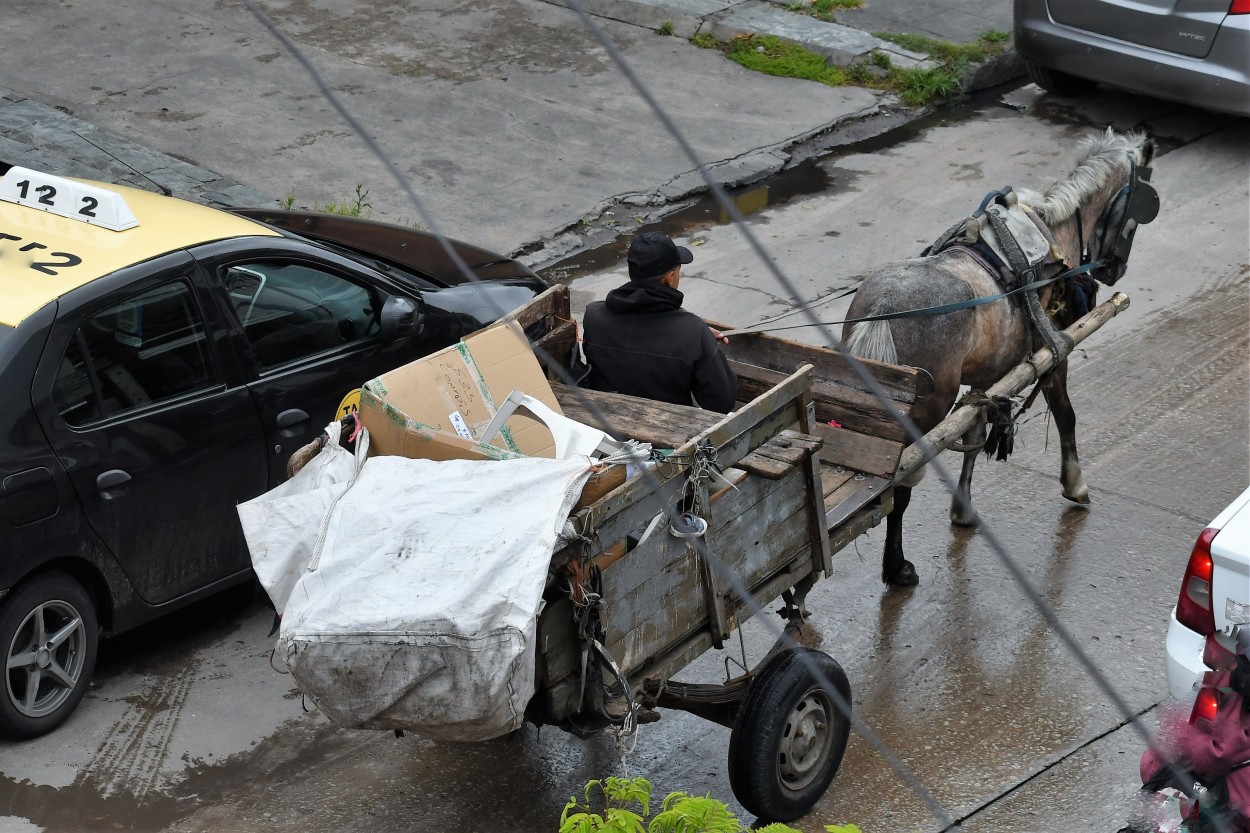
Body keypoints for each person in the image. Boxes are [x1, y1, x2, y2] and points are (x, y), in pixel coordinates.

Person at [579, 231, 737, 413]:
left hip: (607, 423)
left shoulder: (593, 316)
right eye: (678, 272)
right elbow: (722, 403)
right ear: (669, 278)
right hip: (669, 432)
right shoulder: (692, 331)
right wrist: (701, 341)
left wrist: (695, 334)